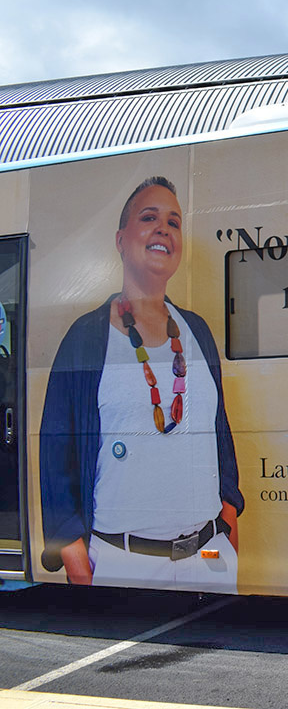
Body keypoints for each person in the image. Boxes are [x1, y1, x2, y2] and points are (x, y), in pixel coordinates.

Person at [40, 176, 243, 591]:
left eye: (174, 221)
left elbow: (217, 431)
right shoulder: (85, 339)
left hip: (207, 559)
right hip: (121, 564)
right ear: (120, 239)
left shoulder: (197, 332)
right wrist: (78, 563)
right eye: (149, 217)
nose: (164, 229)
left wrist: (228, 522)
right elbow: (56, 453)